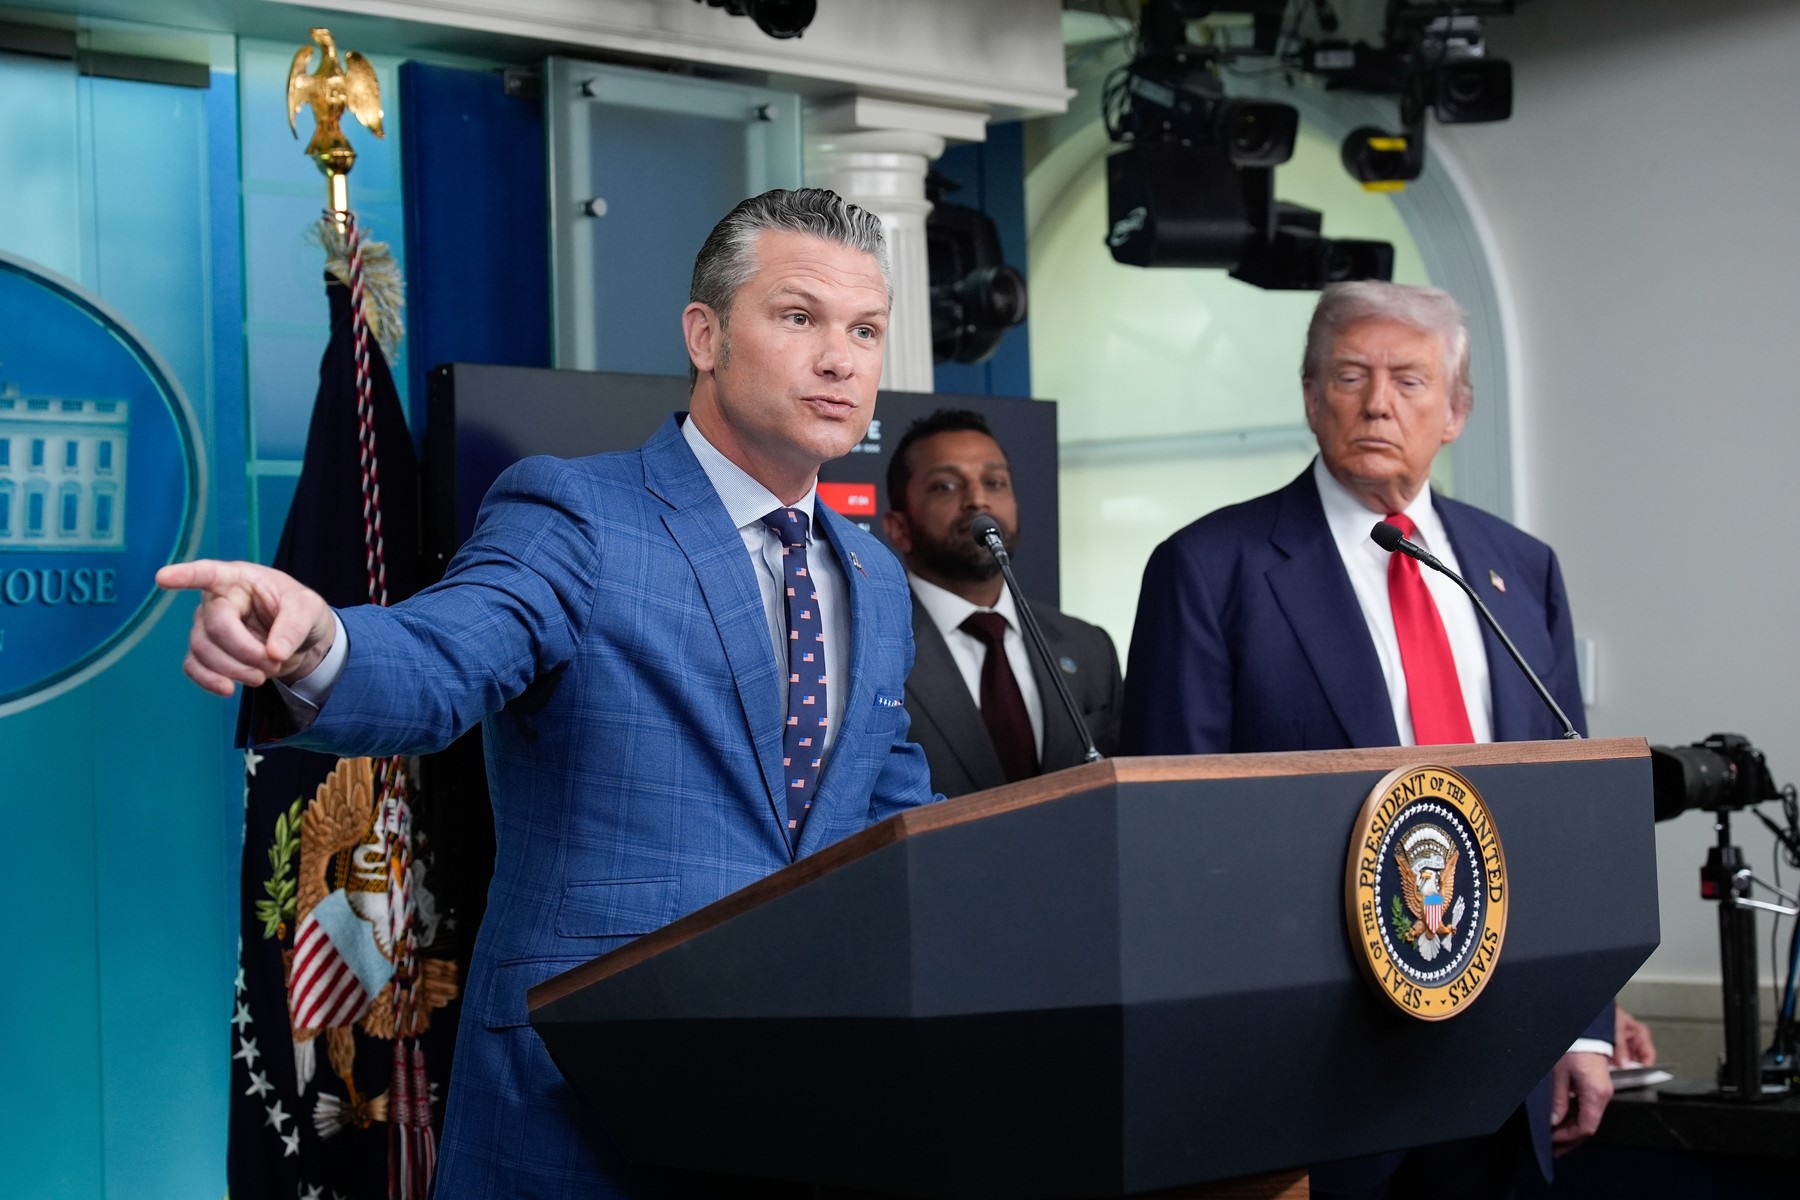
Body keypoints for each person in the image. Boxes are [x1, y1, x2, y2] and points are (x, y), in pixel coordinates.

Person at [159, 188, 937, 1199]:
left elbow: (891, 820)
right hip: (580, 1094)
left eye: (865, 330)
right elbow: (443, 657)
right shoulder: (576, 512)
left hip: (805, 1098)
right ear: (705, 336)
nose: (840, 360)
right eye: (799, 317)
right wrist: (321, 643)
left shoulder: (874, 578)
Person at [1120, 281, 1613, 1198]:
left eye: (1410, 381)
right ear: (1312, 399)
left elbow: (1568, 811)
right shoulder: (1210, 568)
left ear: (1456, 412)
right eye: (1351, 376)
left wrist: (1583, 1026)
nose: (1378, 403)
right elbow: (1172, 840)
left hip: (1505, 1049)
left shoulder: (1520, 568)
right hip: (1314, 1060)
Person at [882, 408, 1122, 796]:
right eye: (946, 486)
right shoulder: (874, 652)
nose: (978, 500)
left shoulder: (1089, 647)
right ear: (900, 528)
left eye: (994, 482)